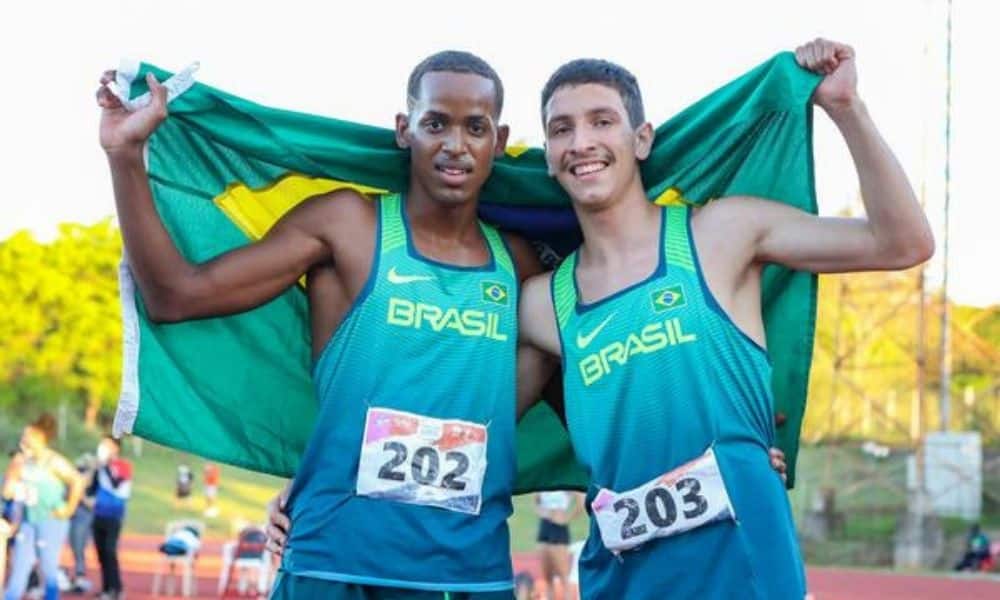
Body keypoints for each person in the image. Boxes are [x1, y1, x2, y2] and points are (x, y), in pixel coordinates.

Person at [516, 39, 933, 598]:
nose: (581, 141)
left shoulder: (720, 235)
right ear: (547, 154)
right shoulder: (542, 305)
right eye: (561, 128)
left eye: (602, 121)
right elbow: (476, 414)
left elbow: (902, 242)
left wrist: (845, 107)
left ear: (642, 139)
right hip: (620, 574)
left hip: (742, 558)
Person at [3, 414, 84, 600]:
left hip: (51, 521)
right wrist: (14, 472)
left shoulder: (54, 462)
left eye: (28, 436)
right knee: (19, 570)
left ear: (40, 438)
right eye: (23, 437)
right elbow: (8, 492)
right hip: (28, 521)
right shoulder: (22, 461)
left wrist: (69, 508)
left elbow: (77, 481)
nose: (24, 440)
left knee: (48, 569)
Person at [91, 436, 132, 600]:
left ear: (116, 448)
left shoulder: (124, 466)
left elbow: (116, 484)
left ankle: (116, 588)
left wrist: (106, 465)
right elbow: (93, 488)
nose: (103, 447)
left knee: (110, 551)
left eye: (107, 445)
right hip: (98, 513)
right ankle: (106, 588)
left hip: (114, 515)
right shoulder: (100, 467)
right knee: (101, 553)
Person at [534, 491, 583, 600]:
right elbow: (536, 500)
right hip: (544, 527)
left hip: (559, 529)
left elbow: (581, 502)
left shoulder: (566, 479)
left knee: (563, 577)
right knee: (547, 577)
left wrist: (567, 519)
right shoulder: (544, 479)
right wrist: (541, 512)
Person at [67, 453, 97, 593]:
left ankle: (80, 576)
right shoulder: (75, 478)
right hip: (72, 516)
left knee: (79, 547)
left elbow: (91, 503)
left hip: (84, 518)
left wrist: (80, 494)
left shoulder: (97, 483)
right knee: (74, 546)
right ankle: (73, 576)